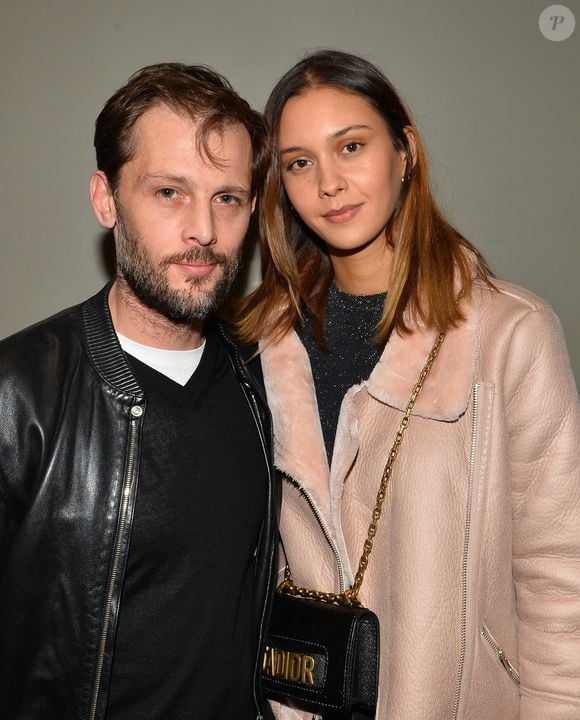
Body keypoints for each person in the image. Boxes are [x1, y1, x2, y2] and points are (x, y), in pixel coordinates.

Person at [237, 50, 580, 719]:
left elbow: (559, 576)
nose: (329, 183)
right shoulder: (258, 347)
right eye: (300, 162)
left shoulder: (510, 332)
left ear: (405, 152)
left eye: (352, 146)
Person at [0, 62, 278, 720]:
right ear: (106, 198)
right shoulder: (17, 397)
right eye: (169, 193)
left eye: (228, 198)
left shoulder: (265, 386)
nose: (203, 231)